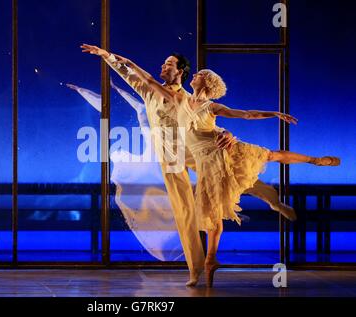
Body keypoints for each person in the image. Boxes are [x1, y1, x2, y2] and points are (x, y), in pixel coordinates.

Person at [81, 44, 299, 287]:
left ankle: (273, 201)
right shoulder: (150, 91)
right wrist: (106, 56)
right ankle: (196, 268)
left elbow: (206, 120)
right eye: (164, 63)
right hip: (170, 158)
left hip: (194, 149)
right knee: (185, 213)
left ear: (181, 72)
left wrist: (226, 132)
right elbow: (129, 73)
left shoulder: (186, 98)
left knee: (233, 174)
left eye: (169, 64)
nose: (163, 66)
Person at [122, 59, 340, 286]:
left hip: (225, 153)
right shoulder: (180, 100)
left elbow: (245, 114)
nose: (194, 75)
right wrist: (128, 62)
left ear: (206, 82)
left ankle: (315, 161)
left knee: (270, 155)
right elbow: (148, 81)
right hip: (208, 165)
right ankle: (210, 260)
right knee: (212, 213)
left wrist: (273, 114)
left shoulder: (212, 107)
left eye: (199, 74)